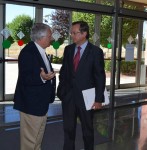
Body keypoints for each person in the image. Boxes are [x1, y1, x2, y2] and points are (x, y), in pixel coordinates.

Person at [57, 21, 106, 150]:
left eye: (74, 33)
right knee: (68, 129)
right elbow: (64, 71)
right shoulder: (68, 49)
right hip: (68, 97)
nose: (72, 35)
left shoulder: (96, 52)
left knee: (87, 130)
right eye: (71, 33)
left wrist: (98, 99)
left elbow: (100, 76)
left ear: (84, 33)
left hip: (87, 99)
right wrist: (61, 90)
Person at [13, 23, 56, 150]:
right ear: (41, 37)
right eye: (49, 36)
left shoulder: (40, 50)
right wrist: (42, 78)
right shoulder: (28, 52)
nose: (51, 38)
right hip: (31, 105)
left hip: (40, 104)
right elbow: (25, 78)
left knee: (37, 139)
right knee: (29, 142)